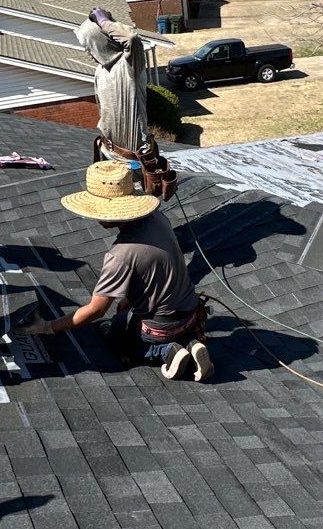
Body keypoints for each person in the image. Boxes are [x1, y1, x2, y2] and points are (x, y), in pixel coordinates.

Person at [17, 162, 212, 381]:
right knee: (122, 319)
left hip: (159, 330)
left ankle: (166, 352)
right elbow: (151, 270)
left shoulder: (120, 255)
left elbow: (96, 311)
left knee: (115, 341)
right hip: (190, 314)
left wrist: (48, 327)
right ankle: (191, 343)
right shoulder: (158, 218)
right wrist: (130, 297)